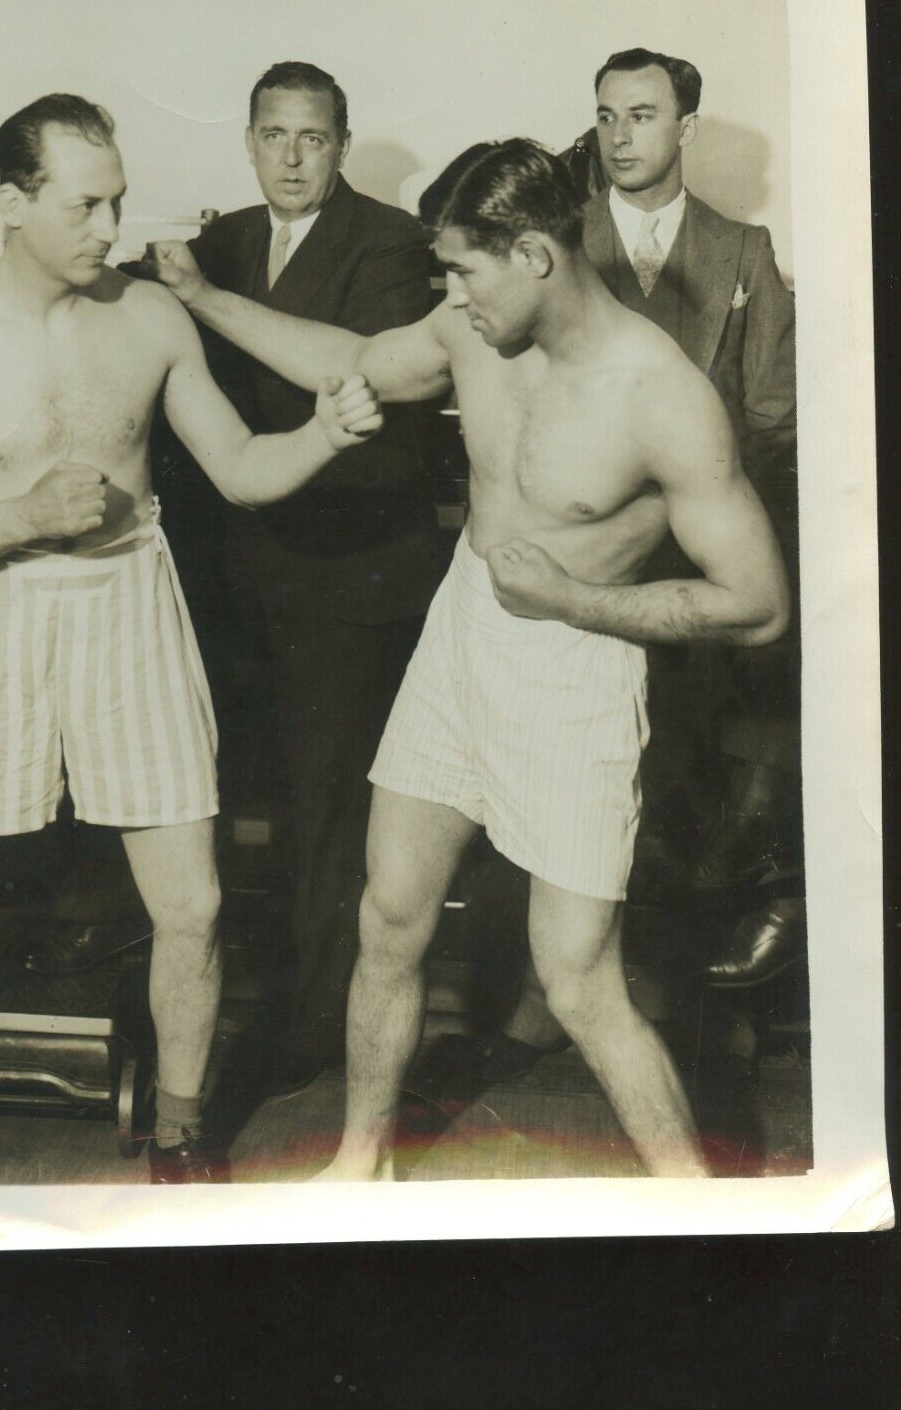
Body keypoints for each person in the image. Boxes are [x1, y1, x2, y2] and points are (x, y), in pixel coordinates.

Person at [145, 137, 789, 1179]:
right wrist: (201, 294)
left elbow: (757, 604)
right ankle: (361, 1166)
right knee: (389, 913)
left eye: (462, 269)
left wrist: (575, 597)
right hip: (461, 637)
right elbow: (346, 361)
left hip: (577, 664)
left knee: (576, 980)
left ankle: (710, 1216)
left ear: (534, 254)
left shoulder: (658, 396)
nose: (448, 293)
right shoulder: (469, 329)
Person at [0, 93, 383, 1185]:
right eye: (84, 204)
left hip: (129, 606)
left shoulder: (150, 318)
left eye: (117, 200)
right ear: (13, 202)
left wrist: (326, 433)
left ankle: (184, 1128)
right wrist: (19, 517)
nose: (111, 227)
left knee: (190, 901)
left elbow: (241, 470)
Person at [120, 61, 443, 1092]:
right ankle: (218, 1014)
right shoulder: (215, 244)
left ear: (342, 143)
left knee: (324, 817)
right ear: (248, 141)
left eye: (312, 137)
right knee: (214, 795)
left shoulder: (391, 243)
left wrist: (199, 298)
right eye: (273, 135)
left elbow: (357, 372)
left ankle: (313, 1048)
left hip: (348, 581)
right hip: (233, 575)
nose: (292, 157)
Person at [482, 49, 802, 1079]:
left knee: (687, 777)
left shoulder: (743, 251)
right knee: (579, 782)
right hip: (586, 566)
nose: (621, 136)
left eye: (644, 115)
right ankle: (554, 995)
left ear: (685, 128)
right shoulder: (557, 242)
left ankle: (677, 1002)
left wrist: (688, 506)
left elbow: (769, 417)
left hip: (696, 568)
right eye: (605, 116)